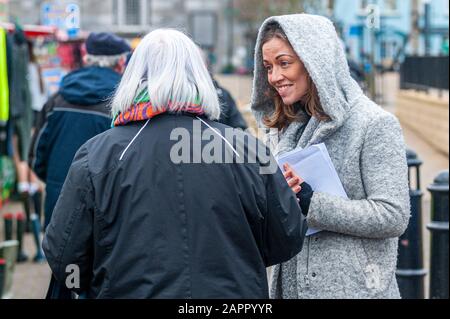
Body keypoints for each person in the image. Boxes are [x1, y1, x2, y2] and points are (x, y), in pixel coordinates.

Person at [43, 29, 307, 299]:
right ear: (200, 76)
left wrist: (94, 279)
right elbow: (286, 238)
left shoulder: (99, 154)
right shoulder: (245, 148)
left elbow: (65, 257)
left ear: (133, 76)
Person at [251, 14, 410, 299]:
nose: (274, 77)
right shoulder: (288, 126)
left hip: (356, 290)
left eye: (284, 63)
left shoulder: (374, 124)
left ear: (315, 60)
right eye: (268, 67)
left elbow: (393, 215)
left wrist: (312, 202)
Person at [29, 32, 131, 298]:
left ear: (86, 58)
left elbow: (37, 154)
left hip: (58, 198)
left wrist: (55, 182)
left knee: (65, 269)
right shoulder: (123, 104)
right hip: (108, 204)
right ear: (121, 63)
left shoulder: (58, 98)